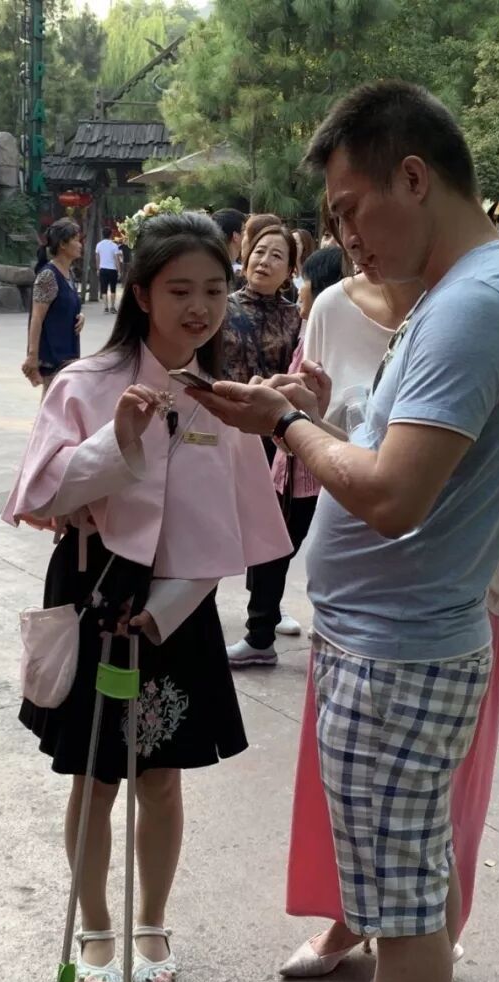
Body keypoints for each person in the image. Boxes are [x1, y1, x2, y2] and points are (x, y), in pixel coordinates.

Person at [189, 80, 499, 982]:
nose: (342, 236)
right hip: (399, 639)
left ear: (414, 176)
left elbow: (393, 494)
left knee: (401, 894)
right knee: (404, 872)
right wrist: (310, 415)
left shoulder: (475, 304)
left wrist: (285, 424)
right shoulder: (472, 290)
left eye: (351, 209)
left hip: (401, 654)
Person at [2, 212, 291, 982]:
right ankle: (96, 925)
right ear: (140, 294)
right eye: (180, 290)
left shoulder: (223, 402)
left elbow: (233, 530)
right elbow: (40, 497)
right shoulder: (84, 383)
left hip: (178, 605)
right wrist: (117, 443)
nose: (200, 308)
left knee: (161, 777)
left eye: (214, 291)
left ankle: (152, 920)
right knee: (95, 776)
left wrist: (166, 608)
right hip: (95, 595)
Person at [227, 245, 346, 666]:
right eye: (259, 251)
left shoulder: (312, 326)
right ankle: (263, 625)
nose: (301, 288)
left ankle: (262, 630)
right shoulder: (237, 309)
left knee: (277, 546)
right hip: (281, 445)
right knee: (273, 544)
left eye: (279, 257)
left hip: (299, 454)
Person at [222, 223, 302, 387]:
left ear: (289, 271)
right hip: (226, 399)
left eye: (276, 256)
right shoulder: (222, 308)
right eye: (259, 252)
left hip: (276, 401)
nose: (264, 261)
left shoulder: (296, 316)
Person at [22, 219, 85, 391]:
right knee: (53, 403)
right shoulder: (48, 276)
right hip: (53, 356)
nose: (80, 245)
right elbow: (37, 318)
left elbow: (64, 305)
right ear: (63, 244)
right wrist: (33, 356)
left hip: (68, 353)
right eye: (76, 240)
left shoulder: (69, 273)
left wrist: (80, 316)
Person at [95, 226, 121, 314]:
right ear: (111, 235)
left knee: (104, 288)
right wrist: (119, 271)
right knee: (113, 288)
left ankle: (106, 307)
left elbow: (97, 258)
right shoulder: (114, 245)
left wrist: (98, 269)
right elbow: (117, 259)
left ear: (103, 234)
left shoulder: (99, 245)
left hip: (102, 269)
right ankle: (112, 307)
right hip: (113, 269)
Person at [211, 207, 246, 273]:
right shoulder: (240, 273)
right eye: (244, 229)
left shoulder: (209, 265)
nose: (247, 234)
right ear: (235, 236)